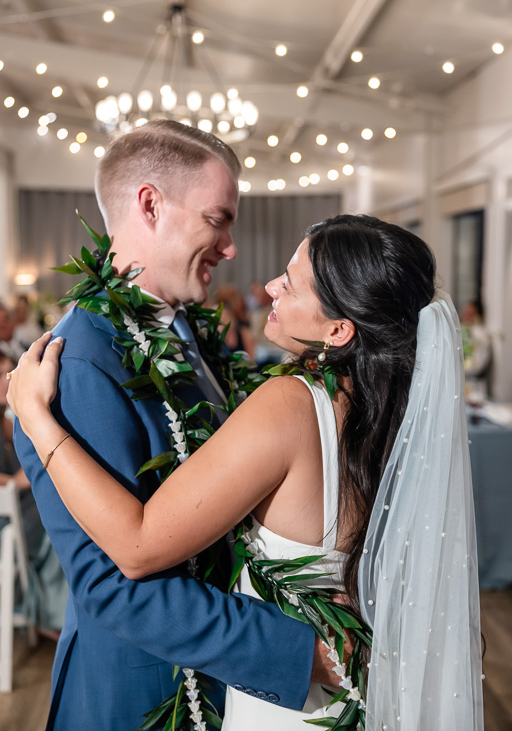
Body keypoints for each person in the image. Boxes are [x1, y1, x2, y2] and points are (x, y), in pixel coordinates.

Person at [9, 215, 484, 730]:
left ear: (339, 329)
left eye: (291, 281)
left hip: (293, 707)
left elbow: (138, 546)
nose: (269, 287)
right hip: (356, 699)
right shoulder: (396, 416)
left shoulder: (288, 404)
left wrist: (34, 418)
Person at [12, 121, 328, 731]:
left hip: (220, 679)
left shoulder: (190, 335)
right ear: (150, 205)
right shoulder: (79, 361)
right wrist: (305, 652)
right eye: (219, 219)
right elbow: (115, 588)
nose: (231, 247)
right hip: (142, 696)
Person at [0, 350, 68, 636]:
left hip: (19, 505)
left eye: (7, 375)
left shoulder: (4, 421)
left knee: (59, 507)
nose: (6, 383)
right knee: (57, 521)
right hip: (7, 517)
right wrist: (17, 478)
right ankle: (55, 616)